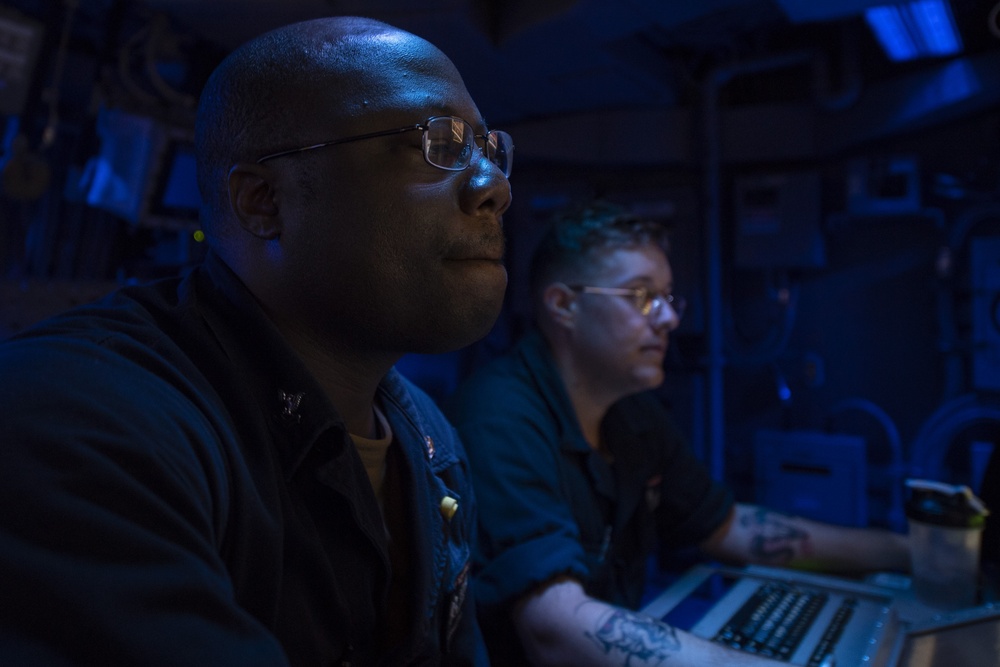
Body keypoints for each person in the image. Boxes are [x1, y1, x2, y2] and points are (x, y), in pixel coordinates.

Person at [0, 16, 513, 666]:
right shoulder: (76, 423)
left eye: (490, 150)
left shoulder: (430, 439)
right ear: (263, 201)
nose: (496, 186)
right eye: (438, 142)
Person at [444, 200, 911, 666]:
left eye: (669, 299)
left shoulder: (633, 414)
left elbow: (727, 528)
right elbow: (554, 627)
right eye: (642, 296)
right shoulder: (498, 416)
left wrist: (905, 552)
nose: (668, 319)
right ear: (565, 305)